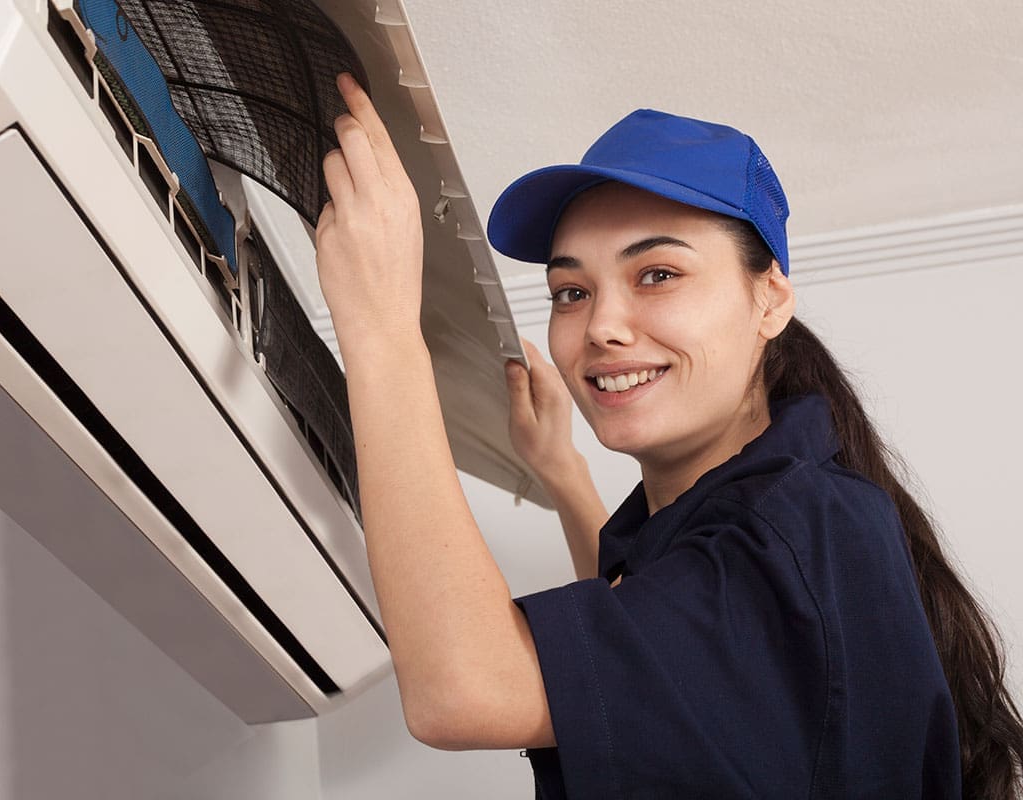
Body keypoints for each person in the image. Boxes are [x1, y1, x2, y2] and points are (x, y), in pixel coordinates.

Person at [315, 73, 1023, 798]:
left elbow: (463, 691)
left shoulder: (805, 523)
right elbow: (657, 637)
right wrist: (563, 474)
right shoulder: (758, 520)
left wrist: (379, 330)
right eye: (572, 291)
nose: (601, 327)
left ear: (769, 299)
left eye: (657, 273)